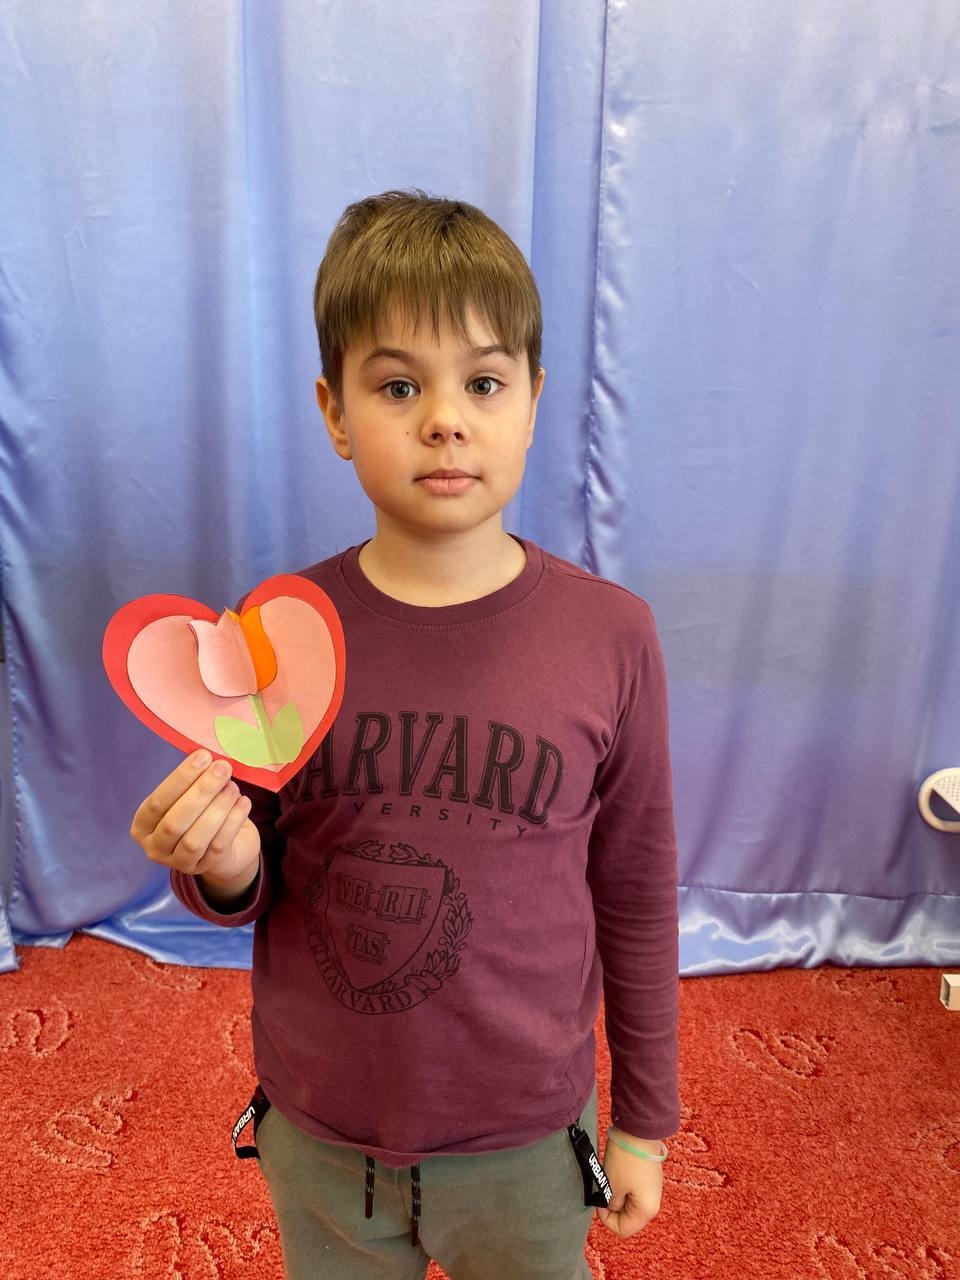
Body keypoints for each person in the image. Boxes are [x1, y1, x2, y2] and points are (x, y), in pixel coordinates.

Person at [130, 190, 680, 1280]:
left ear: (533, 402)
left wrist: (646, 1121)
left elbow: (635, 886)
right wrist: (221, 863)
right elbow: (246, 873)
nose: (445, 420)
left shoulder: (613, 636)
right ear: (335, 413)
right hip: (323, 1131)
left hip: (527, 1141)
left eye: (483, 383)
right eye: (397, 386)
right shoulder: (275, 630)